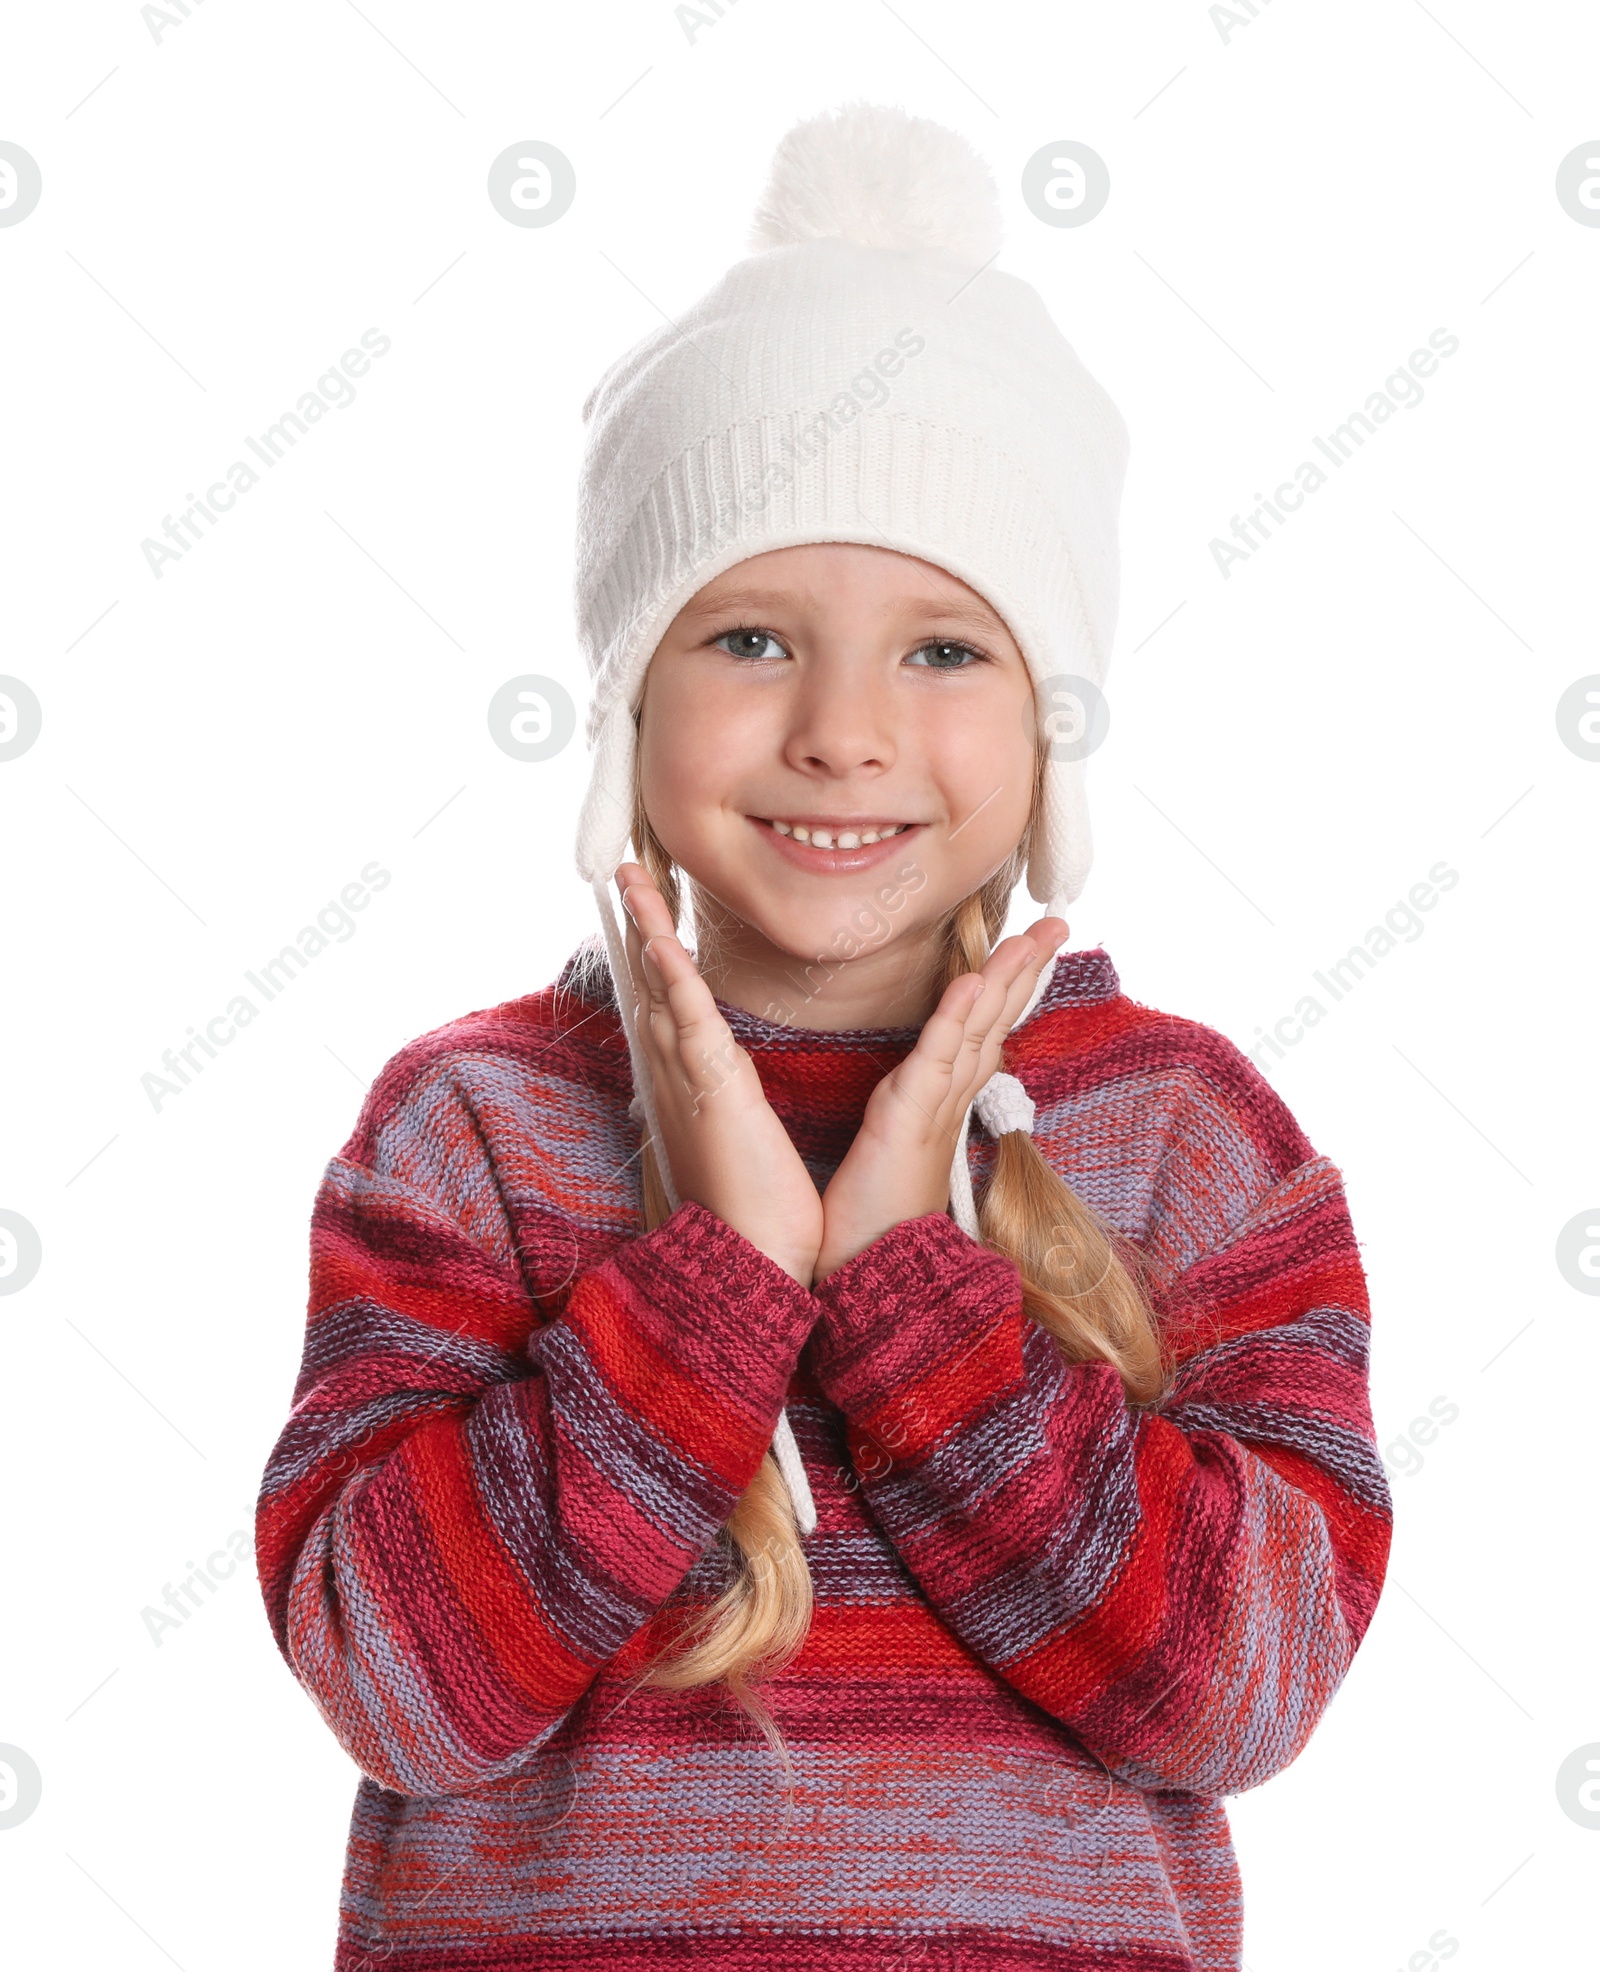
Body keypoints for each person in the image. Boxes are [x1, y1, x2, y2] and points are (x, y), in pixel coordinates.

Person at [255, 101, 1392, 1972]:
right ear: (627, 703)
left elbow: (1241, 1694)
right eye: (752, 639)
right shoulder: (469, 1128)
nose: (844, 734)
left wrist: (910, 1294)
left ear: (1052, 726)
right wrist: (712, 1283)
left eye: (946, 650)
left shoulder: (1194, 1141)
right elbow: (397, 1685)